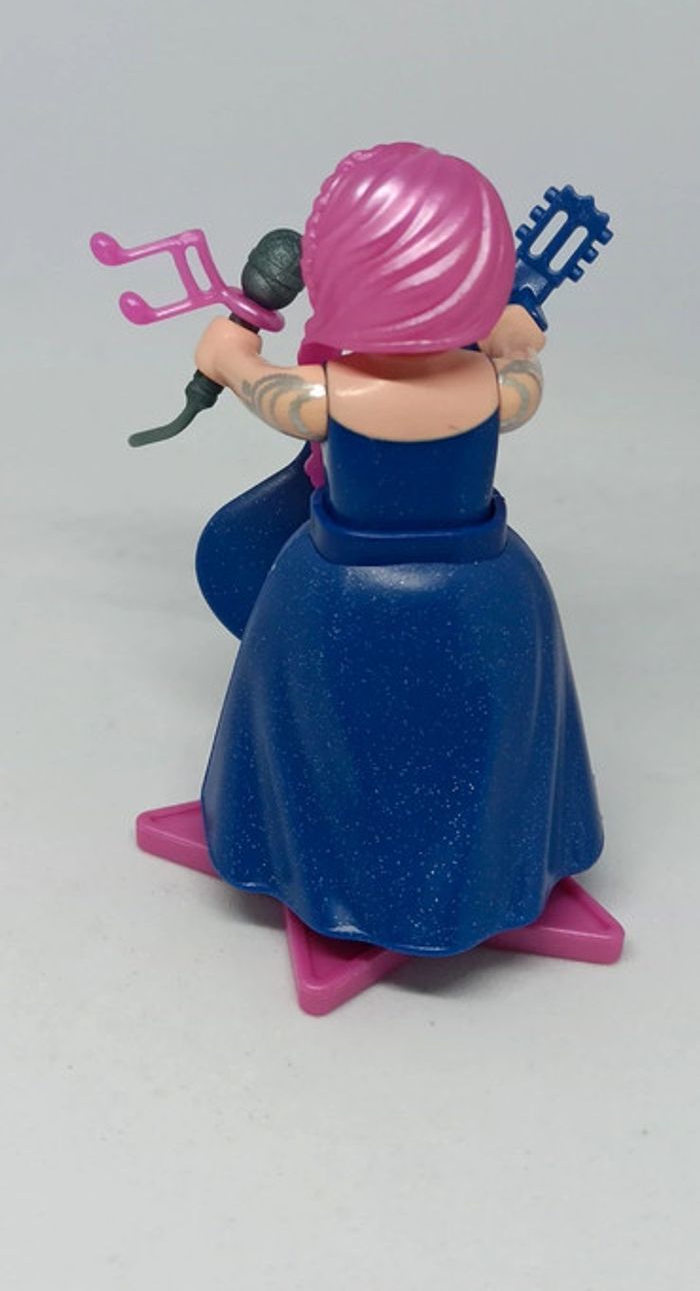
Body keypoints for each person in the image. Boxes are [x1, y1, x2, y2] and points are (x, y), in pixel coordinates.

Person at [193, 142, 603, 957]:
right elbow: (523, 361)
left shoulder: (323, 395)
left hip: (337, 591)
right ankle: (483, 881)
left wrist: (227, 344)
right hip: (487, 592)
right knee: (485, 744)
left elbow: (244, 372)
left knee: (326, 741)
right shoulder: (501, 390)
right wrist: (513, 331)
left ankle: (326, 880)